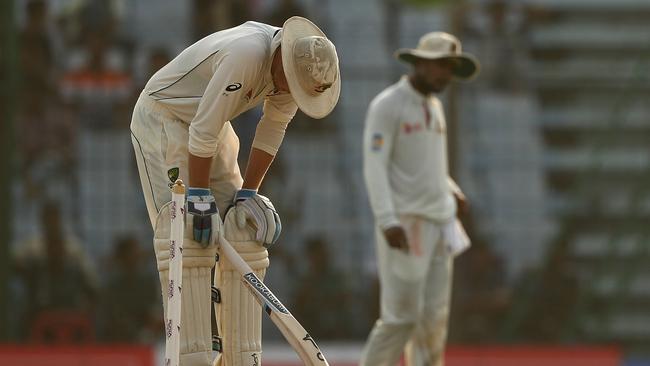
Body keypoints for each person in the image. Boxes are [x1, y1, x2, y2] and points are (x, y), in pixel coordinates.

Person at [129, 16, 340, 366]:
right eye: (293, 87)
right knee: (185, 231)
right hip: (165, 117)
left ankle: (241, 356)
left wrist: (248, 194)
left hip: (210, 123)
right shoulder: (246, 55)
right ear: (284, 63)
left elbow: (272, 129)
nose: (292, 96)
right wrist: (197, 195)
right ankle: (192, 355)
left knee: (242, 229)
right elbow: (202, 130)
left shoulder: (294, 75)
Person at [359, 32, 479, 366]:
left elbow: (428, 165)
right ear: (421, 63)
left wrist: (452, 190)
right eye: (441, 65)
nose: (445, 74)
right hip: (406, 224)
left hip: (440, 224)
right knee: (400, 318)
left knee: (433, 319)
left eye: (450, 67)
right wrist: (387, 220)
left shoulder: (434, 105)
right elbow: (375, 165)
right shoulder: (388, 105)